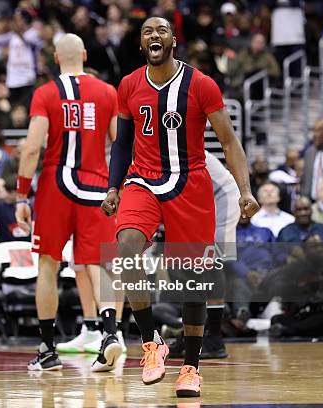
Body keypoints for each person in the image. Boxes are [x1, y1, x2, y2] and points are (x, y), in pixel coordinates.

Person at [101, 17, 259, 398]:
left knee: (192, 278)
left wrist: (245, 190)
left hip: (190, 182)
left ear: (174, 40)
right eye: (147, 32)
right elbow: (122, 144)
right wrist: (112, 186)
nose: (154, 35)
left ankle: (190, 367)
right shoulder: (128, 85)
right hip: (143, 178)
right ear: (141, 45)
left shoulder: (201, 84)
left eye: (162, 30)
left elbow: (229, 141)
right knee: (125, 249)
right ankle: (151, 342)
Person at [15, 34, 120, 372]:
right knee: (100, 263)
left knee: (48, 265)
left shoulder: (46, 94)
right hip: (97, 187)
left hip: (56, 186)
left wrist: (21, 193)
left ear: (56, 58)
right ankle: (110, 334)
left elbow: (31, 148)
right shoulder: (108, 92)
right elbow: (121, 146)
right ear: (86, 55)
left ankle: (47, 349)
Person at [168, 151, 241, 360]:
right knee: (186, 268)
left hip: (222, 197)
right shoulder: (158, 144)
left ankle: (215, 338)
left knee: (212, 264)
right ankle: (191, 333)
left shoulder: (178, 143)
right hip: (197, 200)